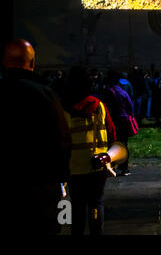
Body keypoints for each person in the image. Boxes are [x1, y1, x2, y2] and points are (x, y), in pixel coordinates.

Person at [0, 39, 71, 234]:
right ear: (31, 64)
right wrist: (60, 179)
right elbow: (62, 141)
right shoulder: (45, 95)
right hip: (39, 193)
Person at [62, 66, 117, 235]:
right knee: (96, 203)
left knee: (77, 203)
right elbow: (112, 132)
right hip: (98, 164)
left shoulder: (64, 109)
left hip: (74, 166)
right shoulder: (99, 106)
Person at [102, 70, 134, 176]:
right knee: (124, 143)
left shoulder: (107, 92)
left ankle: (112, 166)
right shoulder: (123, 92)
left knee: (111, 143)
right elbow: (130, 106)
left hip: (111, 120)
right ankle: (124, 168)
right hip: (123, 120)